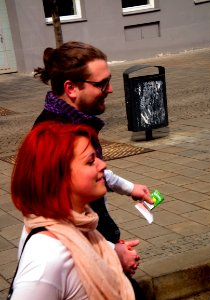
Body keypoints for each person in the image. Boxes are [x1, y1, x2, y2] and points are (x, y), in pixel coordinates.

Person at [33, 41, 153, 297]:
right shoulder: (54, 135)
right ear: (71, 88)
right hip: (86, 258)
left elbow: (97, 176)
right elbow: (59, 218)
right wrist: (111, 252)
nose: (109, 89)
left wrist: (130, 188)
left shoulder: (75, 122)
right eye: (101, 84)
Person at [10, 121, 135, 300]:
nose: (102, 165)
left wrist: (115, 250)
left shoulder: (78, 226)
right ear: (58, 178)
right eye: (90, 161)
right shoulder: (47, 257)